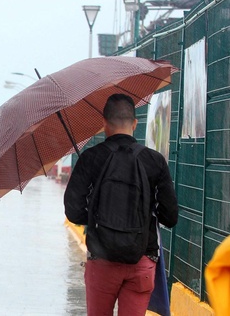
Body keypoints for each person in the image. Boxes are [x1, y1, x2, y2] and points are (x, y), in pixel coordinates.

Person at [64, 94, 178, 316]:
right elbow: (170, 217)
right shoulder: (154, 161)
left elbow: (73, 210)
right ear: (135, 123)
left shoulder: (90, 158)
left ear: (104, 123)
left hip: (102, 261)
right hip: (142, 260)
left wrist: (98, 217)